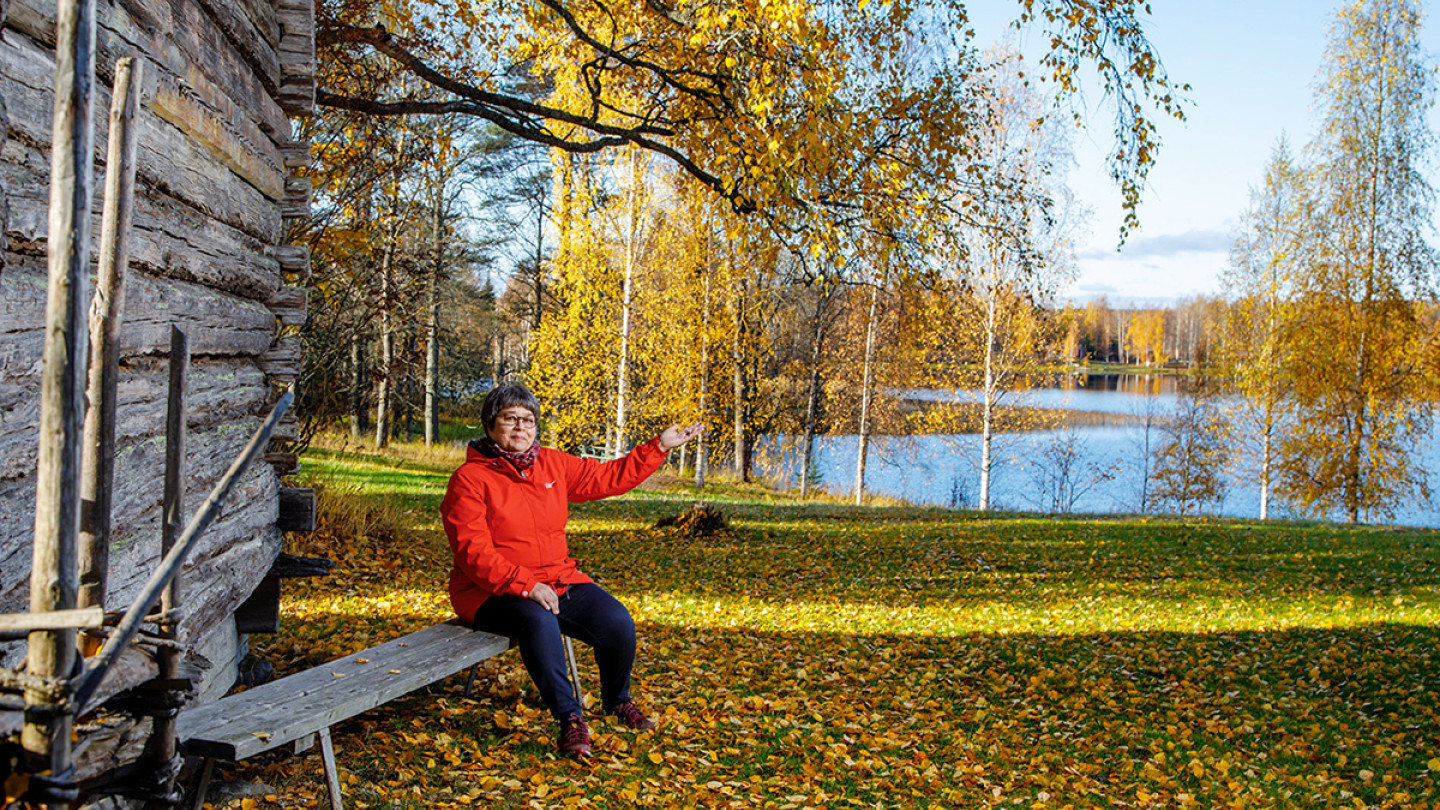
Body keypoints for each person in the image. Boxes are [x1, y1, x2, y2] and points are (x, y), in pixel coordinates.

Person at [440, 383, 703, 758]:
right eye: (510, 418)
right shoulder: (469, 479)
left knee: (617, 621)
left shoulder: (552, 464)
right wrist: (526, 586)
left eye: (528, 420)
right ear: (490, 424)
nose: (520, 427)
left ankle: (616, 701)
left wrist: (658, 447)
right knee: (538, 619)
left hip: (556, 578)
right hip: (488, 592)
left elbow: (608, 477)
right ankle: (570, 720)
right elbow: (472, 553)